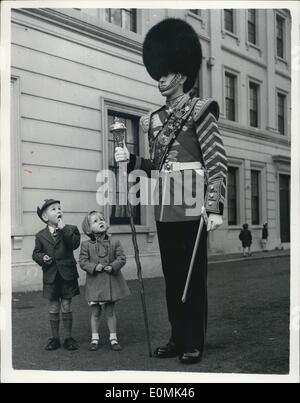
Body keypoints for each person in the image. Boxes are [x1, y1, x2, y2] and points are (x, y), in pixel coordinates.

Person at [115, 18, 227, 364]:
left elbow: (216, 162)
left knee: (192, 280)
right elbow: (156, 165)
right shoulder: (154, 119)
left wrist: (215, 207)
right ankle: (178, 338)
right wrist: (130, 158)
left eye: (165, 74)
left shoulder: (200, 111)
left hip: (193, 207)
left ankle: (194, 340)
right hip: (165, 206)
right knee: (173, 278)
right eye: (158, 74)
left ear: (180, 74)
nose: (160, 80)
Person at [32, 199, 80, 351]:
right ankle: (55, 338)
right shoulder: (40, 236)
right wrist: (42, 258)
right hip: (51, 276)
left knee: (66, 305)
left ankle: (68, 338)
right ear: (45, 217)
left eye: (59, 208)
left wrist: (63, 228)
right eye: (53, 209)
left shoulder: (71, 229)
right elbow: (36, 253)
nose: (58, 210)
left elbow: (74, 244)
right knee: (53, 306)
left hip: (67, 275)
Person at [79, 211, 130, 352]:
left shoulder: (115, 242)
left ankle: (113, 338)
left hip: (110, 283)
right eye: (95, 221)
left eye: (101, 219)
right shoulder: (86, 245)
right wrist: (95, 267)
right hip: (95, 284)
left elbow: (121, 258)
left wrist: (112, 266)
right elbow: (82, 262)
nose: (100, 221)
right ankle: (94, 338)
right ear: (88, 228)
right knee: (95, 312)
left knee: (110, 311)